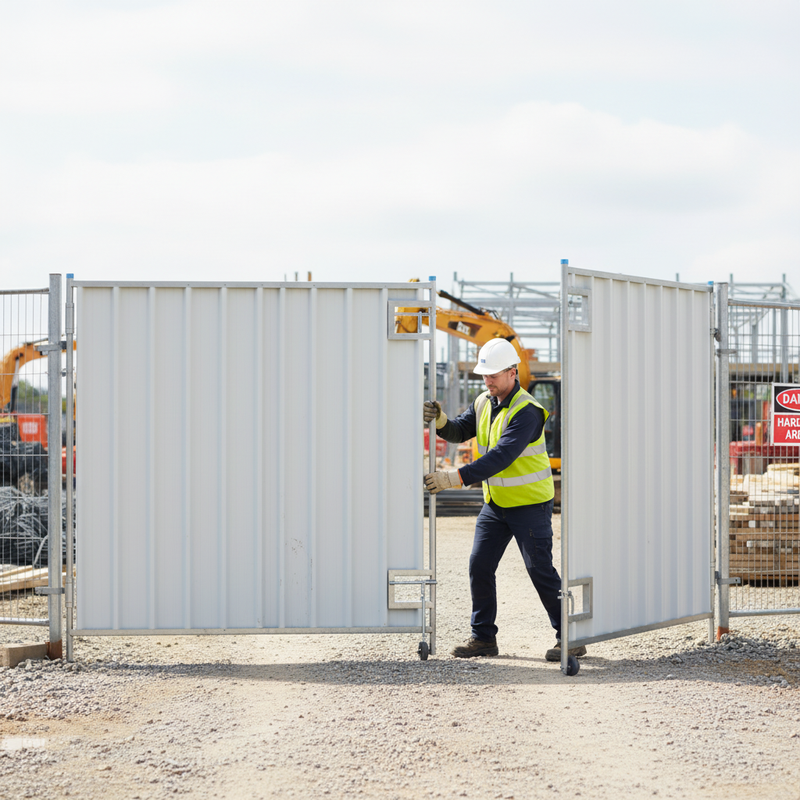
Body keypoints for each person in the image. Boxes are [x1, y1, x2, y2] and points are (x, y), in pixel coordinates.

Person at [423, 338, 586, 662]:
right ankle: (483, 638)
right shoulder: (484, 401)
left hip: (529, 504)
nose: (487, 381)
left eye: (493, 375)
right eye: (484, 375)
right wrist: (440, 420)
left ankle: (571, 637)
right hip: (497, 504)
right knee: (479, 565)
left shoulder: (528, 411)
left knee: (539, 569)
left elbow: (502, 456)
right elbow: (458, 430)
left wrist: (453, 478)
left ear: (512, 373)